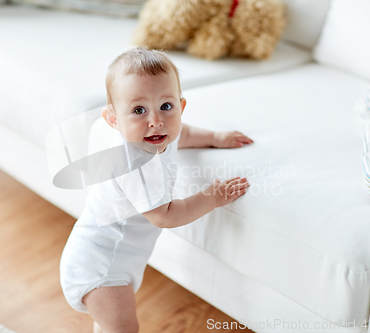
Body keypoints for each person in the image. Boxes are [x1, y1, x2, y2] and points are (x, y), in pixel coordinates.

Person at [60, 46, 253, 333]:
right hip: (99, 266)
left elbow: (183, 134)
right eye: (138, 110)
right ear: (114, 120)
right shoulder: (134, 163)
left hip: (116, 261)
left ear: (180, 106)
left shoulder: (159, 132)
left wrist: (214, 137)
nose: (155, 120)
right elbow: (165, 215)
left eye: (166, 106)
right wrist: (212, 197)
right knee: (124, 329)